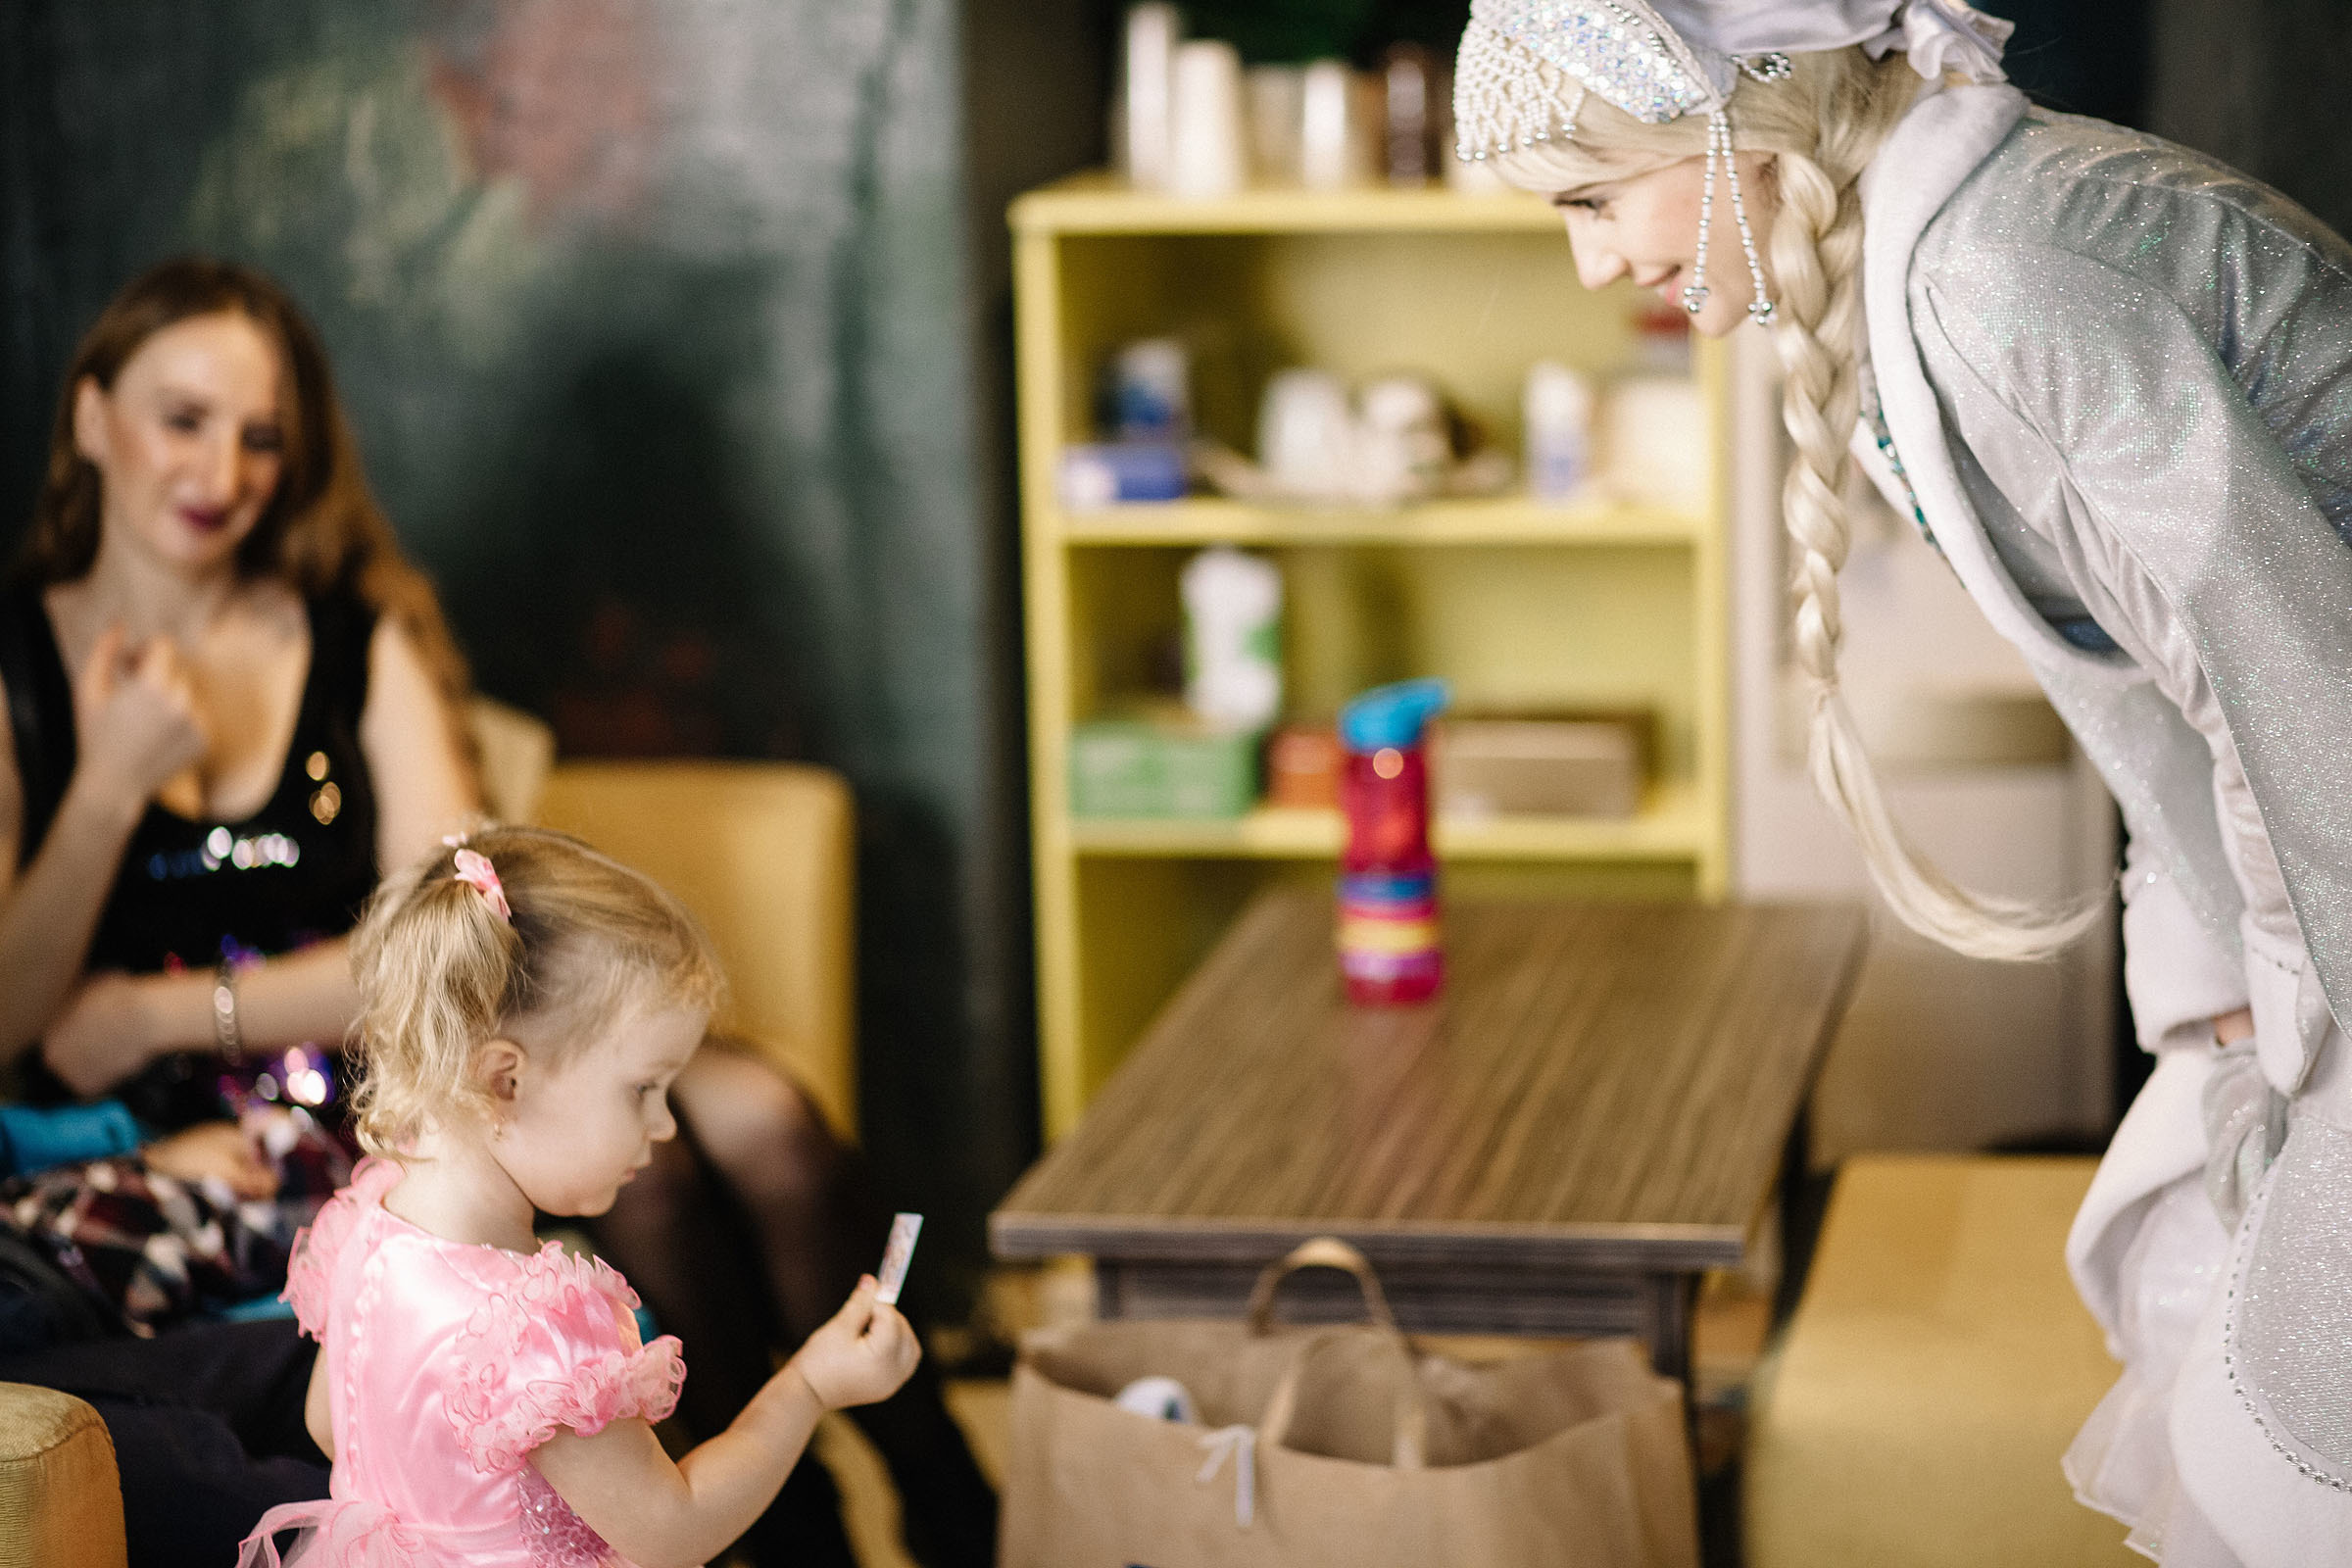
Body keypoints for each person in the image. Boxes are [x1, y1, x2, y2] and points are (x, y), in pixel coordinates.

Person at [1451, 3, 2352, 1563]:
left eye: (1592, 199)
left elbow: (2304, 702)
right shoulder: (1951, 257)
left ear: (1739, 117)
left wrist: (2282, 1036)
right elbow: (2189, 694)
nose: (1592, 267)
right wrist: (2220, 976)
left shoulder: (2010, 286)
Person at [0, 256, 996, 1567]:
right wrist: (113, 784)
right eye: (182, 419)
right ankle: (788, 1515)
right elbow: (19, 1009)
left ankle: (938, 1495)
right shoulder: (20, 664)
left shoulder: (350, 637)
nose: (223, 470)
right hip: (328, 1115)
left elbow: (465, 923)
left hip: (415, 1038)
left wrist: (162, 1008)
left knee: (763, 1121)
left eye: (261, 435)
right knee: (671, 1164)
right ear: (90, 417)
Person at [238, 827, 920, 1568]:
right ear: (506, 1080)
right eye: (643, 1089)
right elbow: (675, 1529)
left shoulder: (369, 1223)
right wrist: (809, 1386)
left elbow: (331, 1425)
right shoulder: (537, 1329)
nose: (663, 1126)